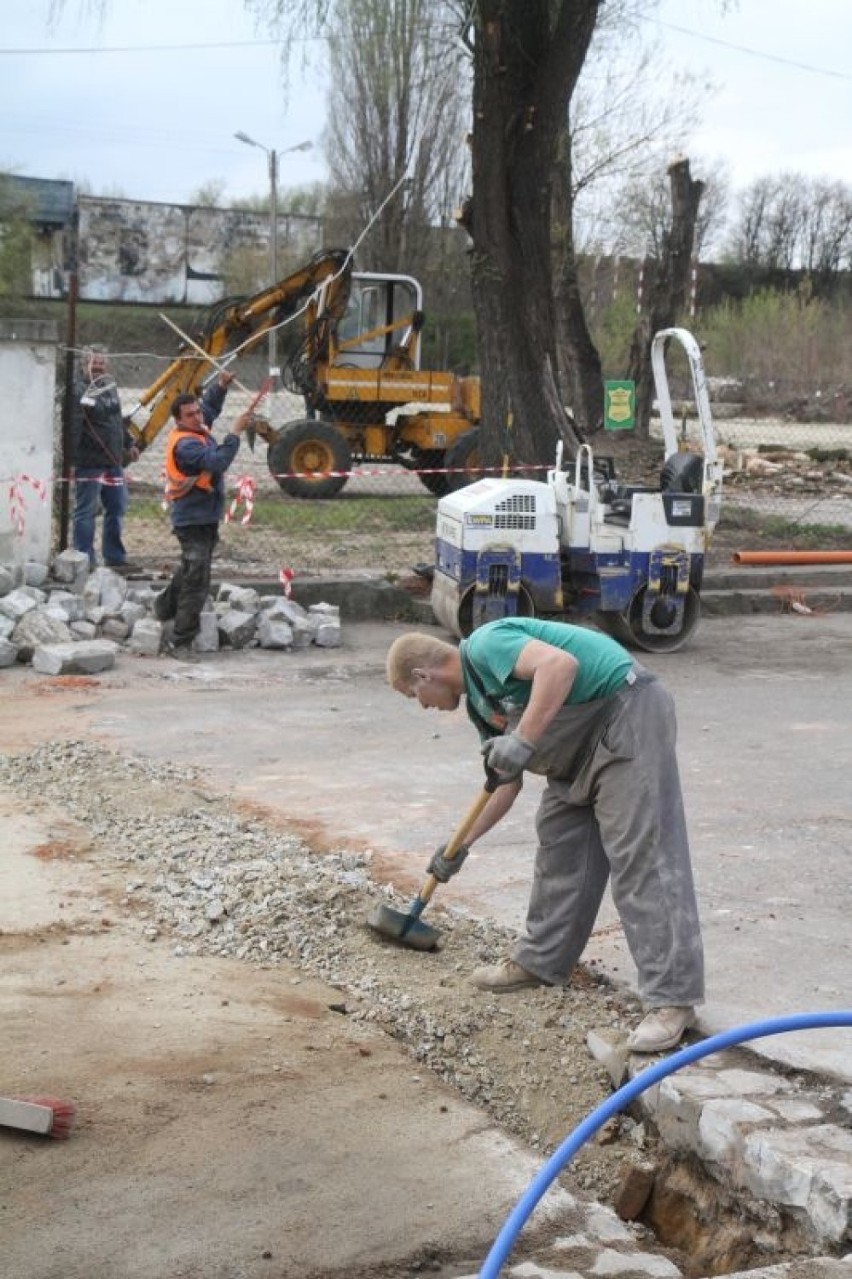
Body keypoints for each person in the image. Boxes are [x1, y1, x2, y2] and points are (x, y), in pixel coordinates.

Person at [386, 618, 705, 1054]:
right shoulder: (481, 704)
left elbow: (559, 666)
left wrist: (524, 739)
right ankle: (541, 961)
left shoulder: (485, 645)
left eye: (413, 696)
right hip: (575, 755)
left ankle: (673, 1001)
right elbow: (505, 782)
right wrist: (460, 845)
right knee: (559, 845)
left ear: (423, 675)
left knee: (641, 857)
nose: (421, 706)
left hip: (626, 713)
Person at [154, 373, 251, 662]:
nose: (198, 417)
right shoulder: (187, 445)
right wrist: (234, 433)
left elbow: (208, 407)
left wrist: (220, 387)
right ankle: (181, 641)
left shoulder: (196, 428)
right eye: (191, 414)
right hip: (192, 519)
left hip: (204, 517)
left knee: (190, 568)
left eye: (197, 412)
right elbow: (219, 462)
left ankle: (163, 607)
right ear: (178, 420)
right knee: (198, 579)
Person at [70, 345, 139, 570]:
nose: (98, 368)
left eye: (101, 364)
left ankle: (114, 557)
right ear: (83, 365)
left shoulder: (110, 388)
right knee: (86, 510)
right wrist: (72, 459)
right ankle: (83, 559)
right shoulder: (79, 390)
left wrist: (129, 443)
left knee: (117, 506)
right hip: (89, 462)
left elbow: (117, 419)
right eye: (93, 364)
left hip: (114, 462)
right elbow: (74, 426)